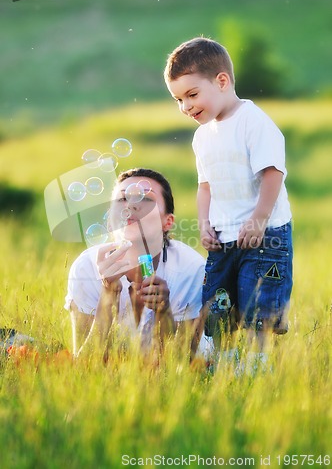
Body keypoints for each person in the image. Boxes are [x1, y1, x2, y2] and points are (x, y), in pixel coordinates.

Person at [164, 37, 293, 364]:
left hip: (264, 235)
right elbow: (205, 186)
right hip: (224, 237)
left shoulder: (253, 121)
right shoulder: (202, 136)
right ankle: (224, 366)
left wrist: (259, 218)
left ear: (221, 81)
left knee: (256, 305)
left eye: (192, 95)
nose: (186, 107)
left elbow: (272, 173)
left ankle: (255, 367)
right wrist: (205, 224)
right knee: (218, 306)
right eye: (178, 99)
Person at [65, 168, 206, 362]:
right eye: (122, 199)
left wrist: (163, 311)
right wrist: (108, 292)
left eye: (146, 199)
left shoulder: (190, 269)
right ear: (109, 221)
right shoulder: (85, 268)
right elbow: (84, 365)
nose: (131, 205)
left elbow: (181, 365)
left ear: (168, 222)